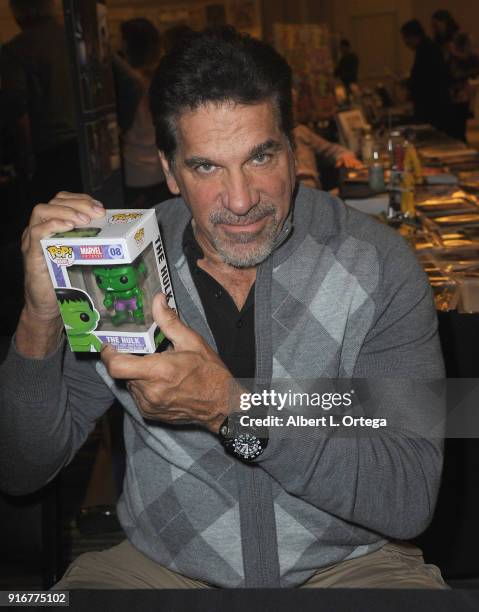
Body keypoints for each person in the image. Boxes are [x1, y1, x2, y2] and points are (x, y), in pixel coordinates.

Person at [0, 27, 446, 589]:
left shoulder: (379, 265)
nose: (241, 201)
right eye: (207, 167)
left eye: (261, 156)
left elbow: (407, 496)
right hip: (163, 566)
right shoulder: (123, 265)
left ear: (292, 147)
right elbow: (20, 470)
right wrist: (38, 321)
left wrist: (231, 409)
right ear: (169, 170)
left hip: (353, 564)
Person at [0, 0, 81, 208]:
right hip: (85, 146)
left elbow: (18, 110)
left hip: (49, 152)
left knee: (54, 220)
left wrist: (26, 158)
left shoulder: (16, 50)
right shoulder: (74, 37)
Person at [119, 18, 170, 206]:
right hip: (160, 171)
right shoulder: (165, 78)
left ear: (127, 45)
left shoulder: (127, 83)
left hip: (134, 170)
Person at [400, 19, 454, 136]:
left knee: (433, 136)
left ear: (413, 35)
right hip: (435, 102)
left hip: (433, 105)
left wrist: (409, 83)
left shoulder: (426, 50)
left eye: (406, 38)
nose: (405, 42)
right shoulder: (427, 47)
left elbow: (424, 79)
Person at [448, 32, 479, 142]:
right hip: (456, 94)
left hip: (461, 94)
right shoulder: (454, 58)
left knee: (459, 126)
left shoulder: (471, 58)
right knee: (457, 126)